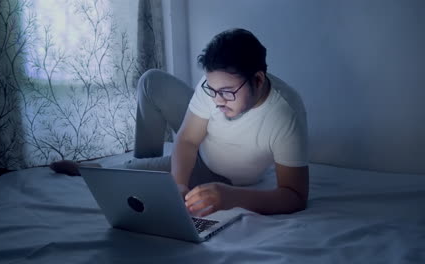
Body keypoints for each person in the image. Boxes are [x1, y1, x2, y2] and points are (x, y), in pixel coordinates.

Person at [51, 28, 309, 217]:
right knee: (151, 81)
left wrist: (232, 197)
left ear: (259, 80)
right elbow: (187, 139)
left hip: (220, 173)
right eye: (213, 89)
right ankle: (134, 169)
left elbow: (295, 195)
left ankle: (106, 168)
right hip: (203, 145)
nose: (218, 100)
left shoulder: (286, 112)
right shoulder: (215, 88)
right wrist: (178, 184)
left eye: (227, 92)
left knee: (126, 173)